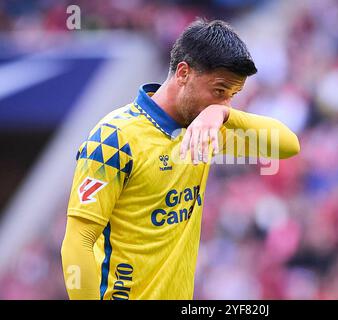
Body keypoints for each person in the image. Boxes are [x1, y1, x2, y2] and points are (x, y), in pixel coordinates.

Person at [61, 18, 300, 300]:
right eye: (220, 91)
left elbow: (287, 145)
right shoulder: (114, 138)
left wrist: (224, 114)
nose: (225, 103)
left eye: (233, 95)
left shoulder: (205, 130)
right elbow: (78, 242)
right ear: (184, 73)